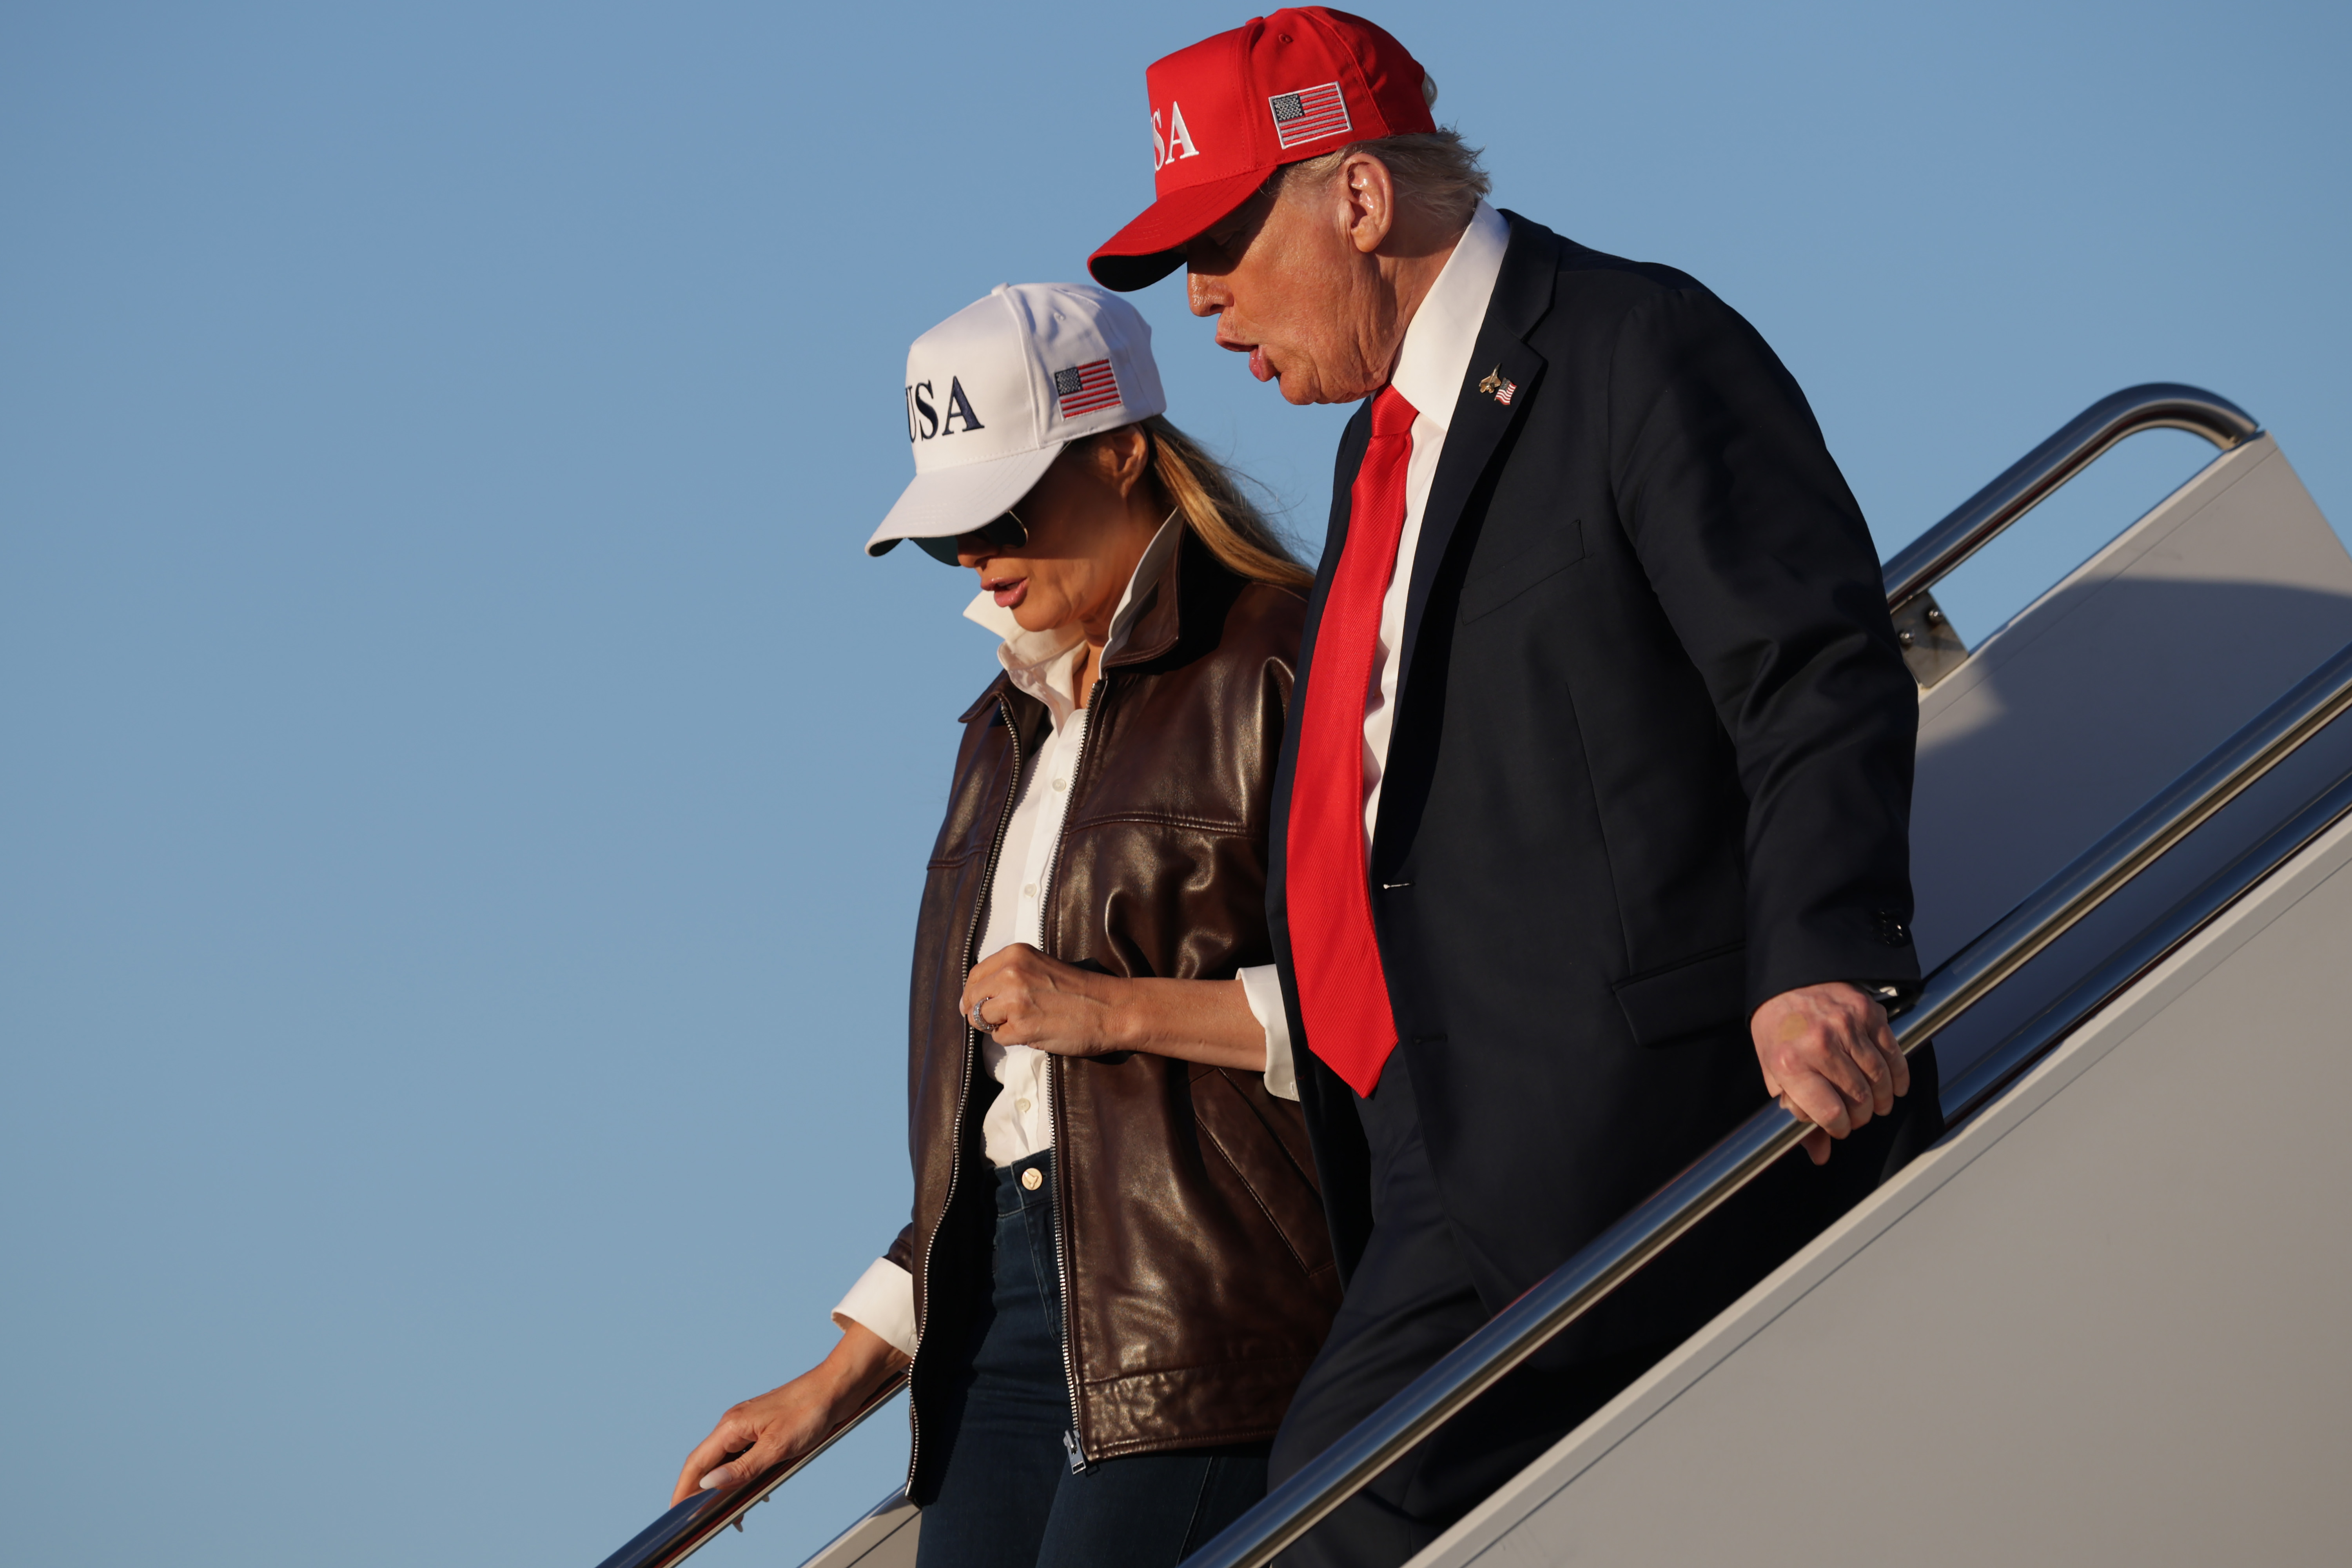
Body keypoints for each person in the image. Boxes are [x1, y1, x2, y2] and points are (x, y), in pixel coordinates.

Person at [1085, 10, 1944, 1563]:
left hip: (1628, 1119)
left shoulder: (1630, 345)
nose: (1202, 301)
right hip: (1430, 1146)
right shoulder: (1373, 458)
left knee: (1318, 1527)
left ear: (1357, 198)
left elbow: (1810, 671)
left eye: (1221, 240)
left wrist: (1822, 955)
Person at [665, 282, 1339, 1568]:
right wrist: (836, 1381)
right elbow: (1003, 1122)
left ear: (1124, 451)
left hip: (1205, 1311)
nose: (977, 556)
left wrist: (1113, 1009)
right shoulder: (1000, 734)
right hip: (996, 1335)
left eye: (1004, 510)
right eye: (946, 533)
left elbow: (1394, 996)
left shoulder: (1282, 657)